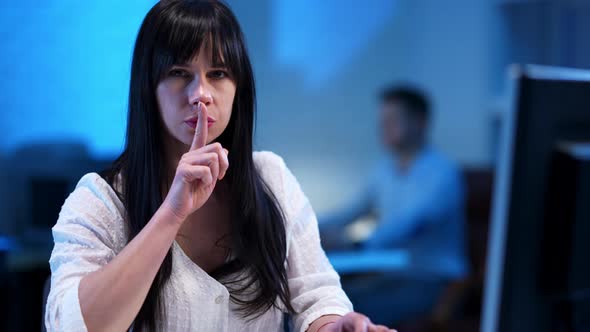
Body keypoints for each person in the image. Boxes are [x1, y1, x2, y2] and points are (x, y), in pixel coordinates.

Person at [44, 1, 395, 331]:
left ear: (238, 88)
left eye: (218, 73)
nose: (201, 93)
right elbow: (72, 324)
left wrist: (336, 324)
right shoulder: (100, 199)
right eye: (179, 72)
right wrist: (171, 213)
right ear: (148, 87)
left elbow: (317, 296)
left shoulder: (270, 177)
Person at [320, 86, 468, 324]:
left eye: (392, 120)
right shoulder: (384, 170)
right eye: (382, 121)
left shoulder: (443, 173)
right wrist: (307, 227)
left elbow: (412, 224)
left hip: (432, 280)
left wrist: (355, 243)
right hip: (392, 275)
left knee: (349, 311)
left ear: (420, 122)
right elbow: (351, 211)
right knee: (325, 302)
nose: (383, 128)